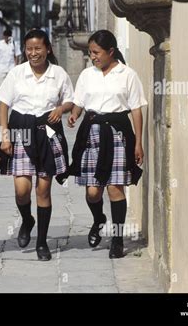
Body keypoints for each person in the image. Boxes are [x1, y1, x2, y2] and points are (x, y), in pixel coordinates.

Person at [0, 29, 74, 261]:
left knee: (43, 189)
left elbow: (71, 99)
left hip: (47, 131)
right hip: (21, 131)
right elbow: (2, 104)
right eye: (29, 48)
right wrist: (5, 135)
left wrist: (61, 108)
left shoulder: (58, 74)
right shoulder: (17, 73)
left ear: (47, 48)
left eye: (38, 48)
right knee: (22, 191)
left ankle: (41, 243)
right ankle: (27, 219)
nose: (33, 53)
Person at [67, 29, 148, 259]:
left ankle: (117, 240)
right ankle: (98, 219)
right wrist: (74, 115)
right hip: (91, 134)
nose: (93, 57)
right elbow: (79, 102)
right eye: (91, 52)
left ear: (110, 51)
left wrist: (138, 143)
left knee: (115, 188)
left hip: (118, 134)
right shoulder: (87, 75)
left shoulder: (127, 75)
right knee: (93, 192)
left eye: (96, 52)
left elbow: (136, 109)